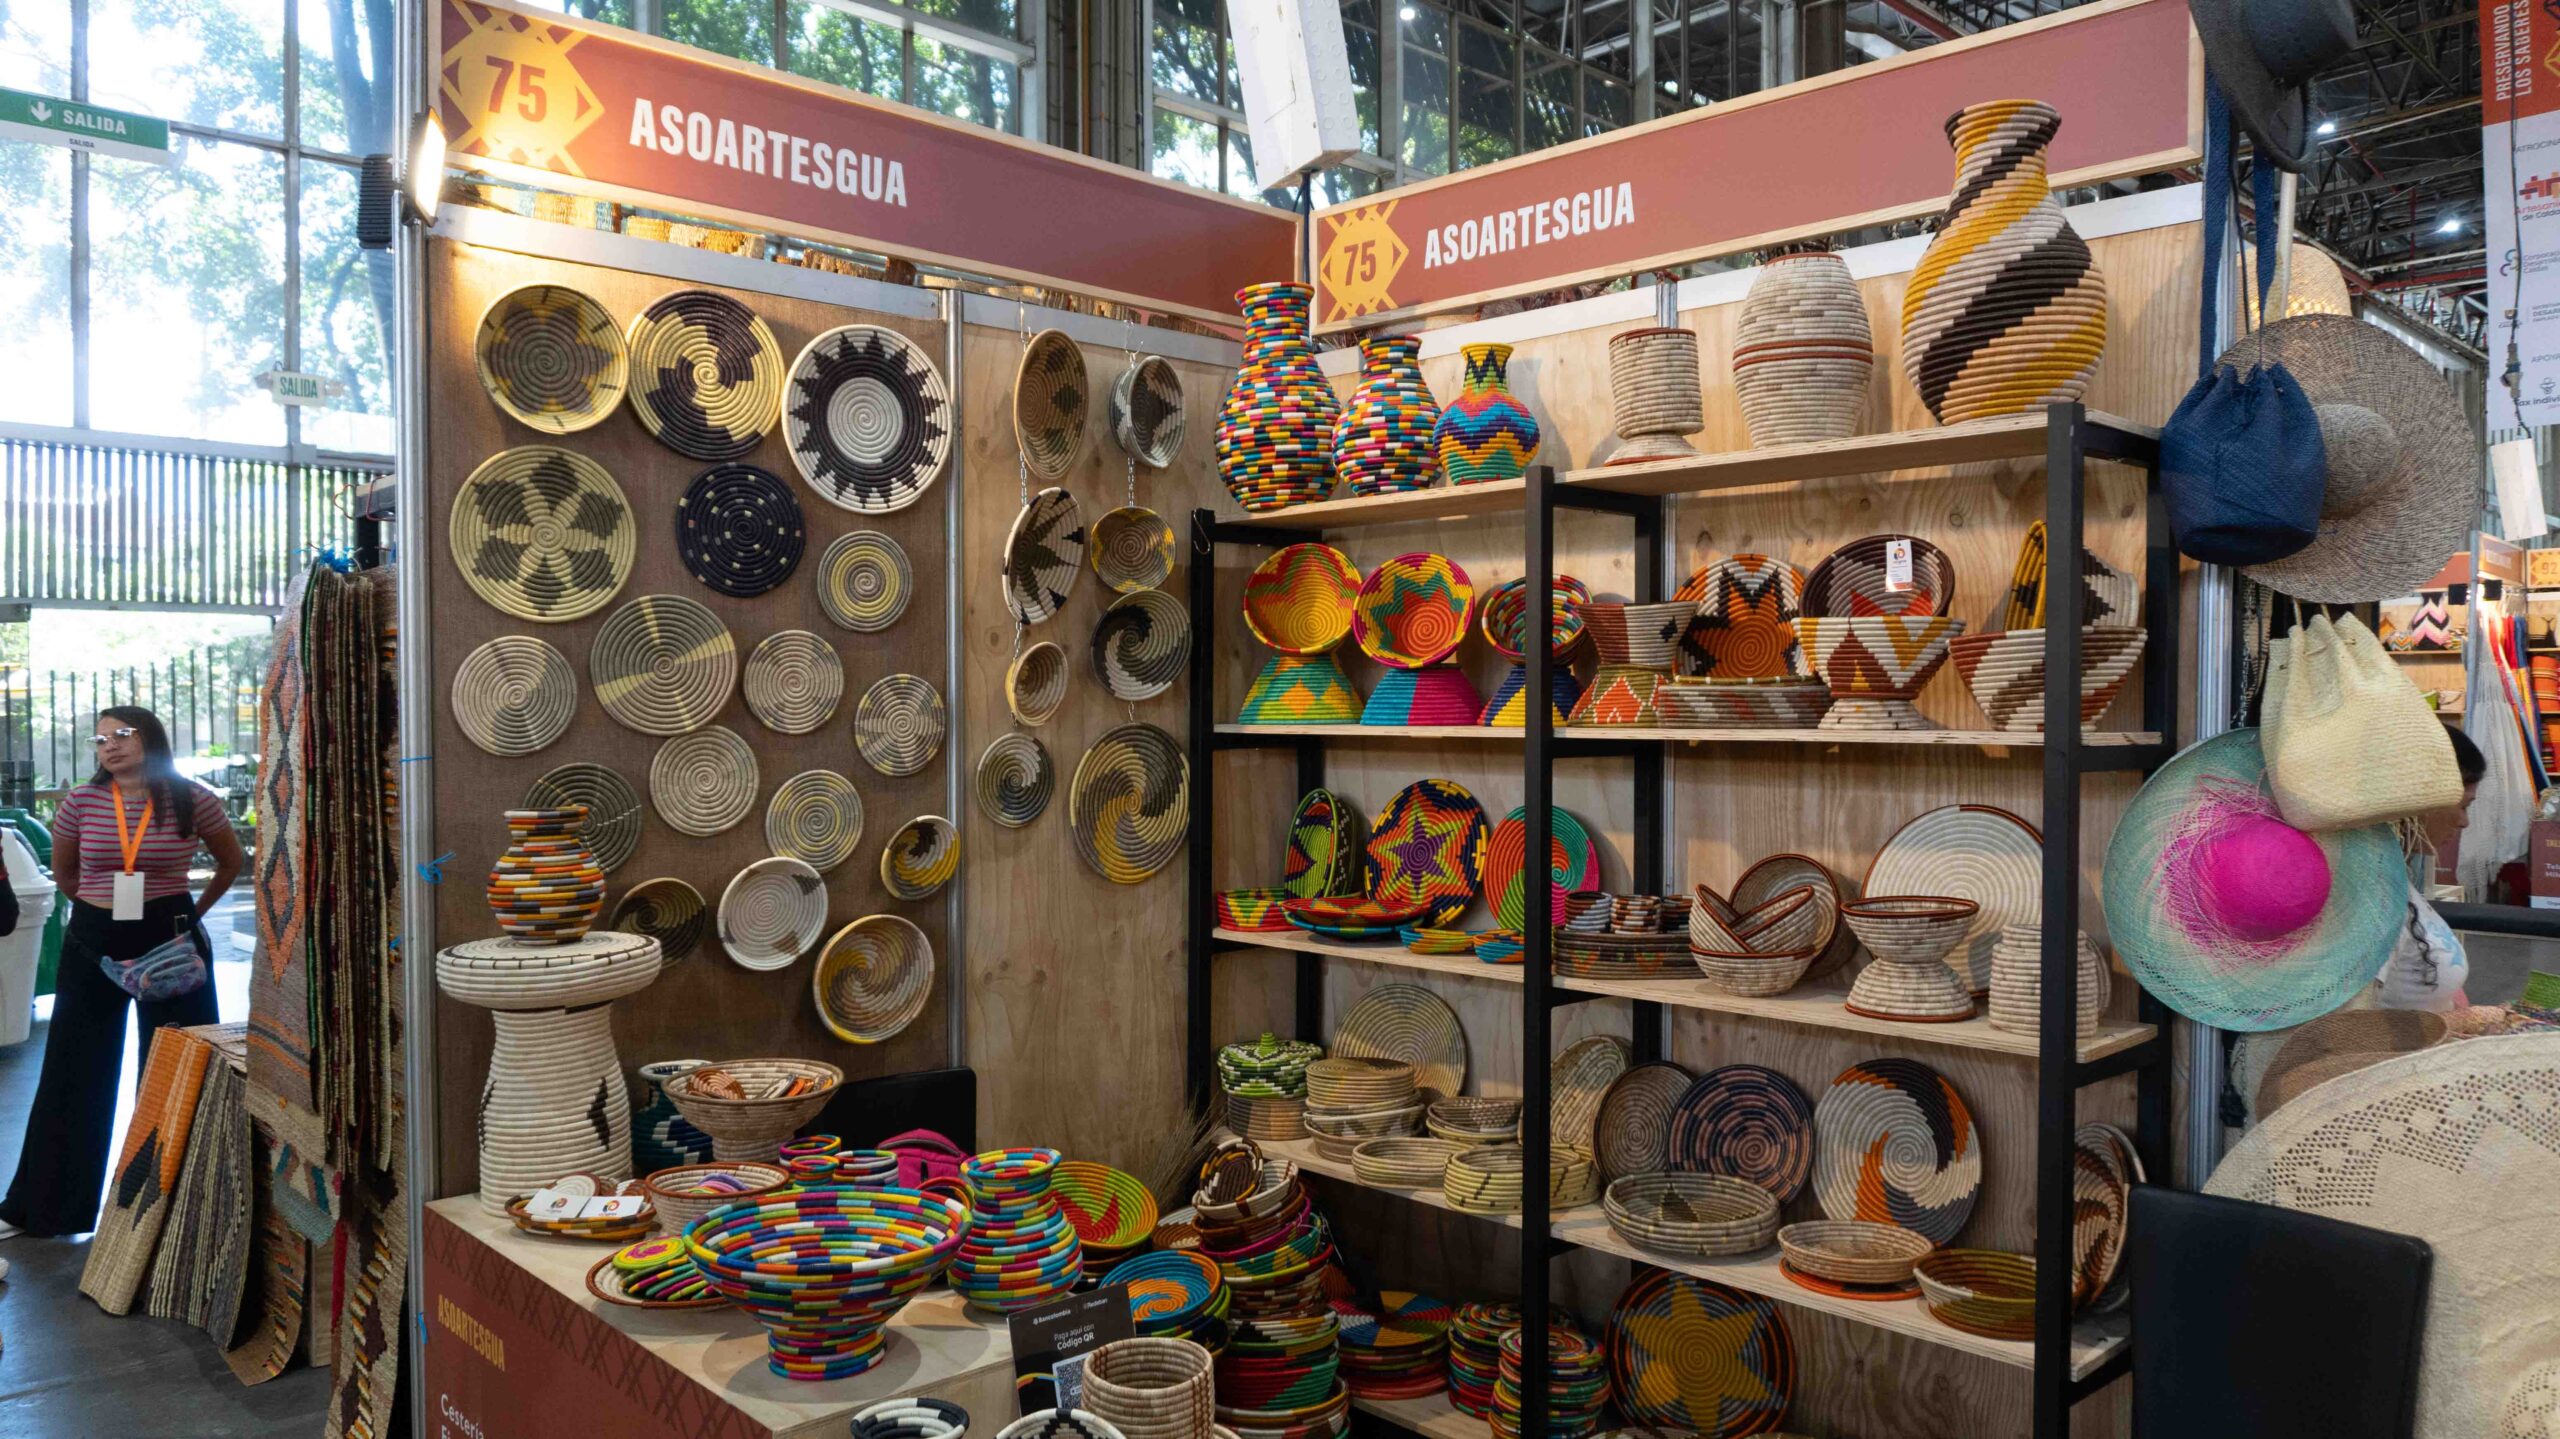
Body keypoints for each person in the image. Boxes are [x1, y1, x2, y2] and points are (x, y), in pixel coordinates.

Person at [0, 707, 242, 1240]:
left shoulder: (192, 798)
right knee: (74, 1072)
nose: (109, 745)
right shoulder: (81, 802)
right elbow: (66, 873)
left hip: (172, 940)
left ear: (150, 737)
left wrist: (191, 914)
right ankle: (48, 1209)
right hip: (93, 941)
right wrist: (101, 911)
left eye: (122, 734)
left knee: (178, 1071)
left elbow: (230, 862)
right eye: (101, 738)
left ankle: (176, 1214)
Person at [2377, 723, 2485, 1013]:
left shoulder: (2393, 881)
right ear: (2423, 800)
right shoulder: (2375, 901)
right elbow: (2356, 1021)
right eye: (2463, 806)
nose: (2464, 822)